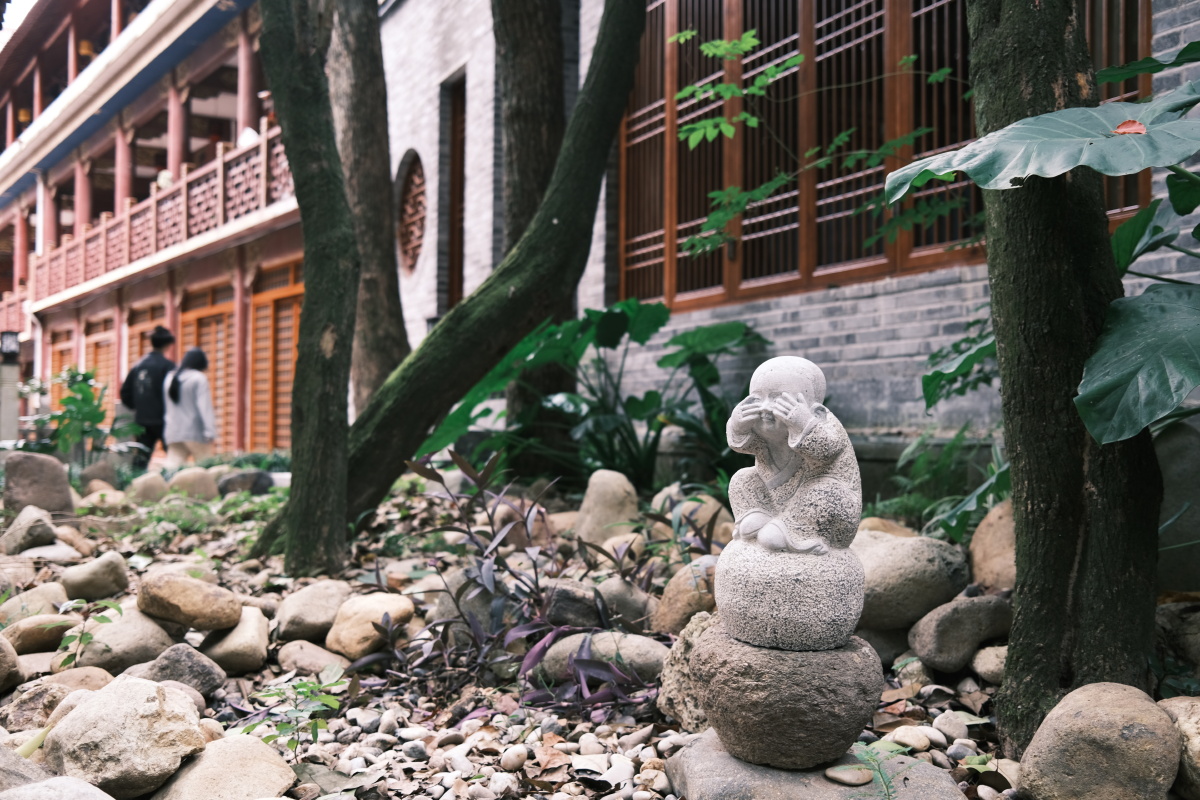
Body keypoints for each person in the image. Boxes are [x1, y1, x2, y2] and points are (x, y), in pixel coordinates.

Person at [120, 325, 176, 470]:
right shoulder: (167, 366)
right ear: (169, 345)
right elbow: (174, 392)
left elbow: (125, 393)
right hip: (164, 419)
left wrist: (139, 406)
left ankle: (134, 485)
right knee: (174, 456)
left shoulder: (138, 366)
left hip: (142, 419)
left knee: (141, 457)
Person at [163, 348, 217, 470]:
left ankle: (166, 489)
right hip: (195, 432)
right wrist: (210, 431)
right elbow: (205, 407)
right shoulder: (198, 378)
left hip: (173, 432)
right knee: (205, 469)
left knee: (172, 470)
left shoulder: (170, 378)